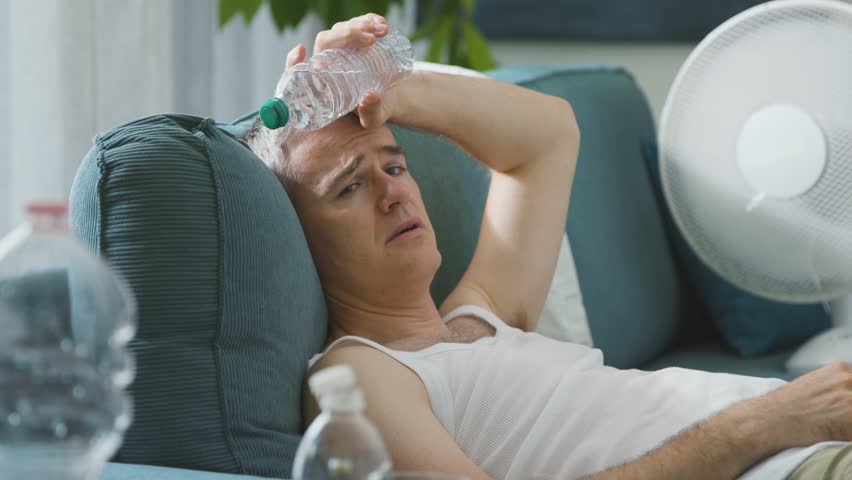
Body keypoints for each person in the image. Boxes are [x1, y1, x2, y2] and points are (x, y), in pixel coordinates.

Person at [245, 14, 852, 480]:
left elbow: (548, 134)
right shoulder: (362, 374)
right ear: (299, 232)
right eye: (349, 186)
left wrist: (389, 87)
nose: (393, 194)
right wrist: (767, 422)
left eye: (395, 165)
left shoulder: (483, 316)